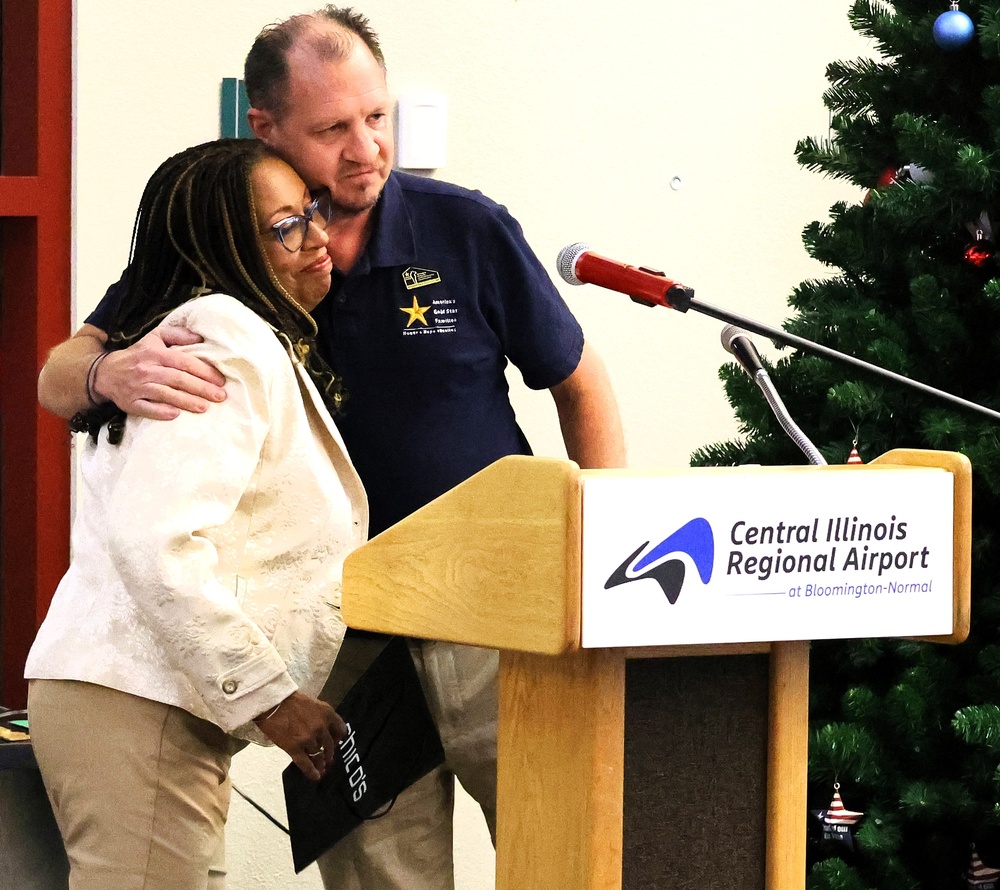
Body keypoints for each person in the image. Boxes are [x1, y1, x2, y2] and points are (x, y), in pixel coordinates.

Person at [37, 6, 626, 889]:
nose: (365, 150)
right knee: (383, 875)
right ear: (262, 126)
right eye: (332, 129)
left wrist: (598, 561)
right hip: (338, 629)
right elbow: (60, 373)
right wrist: (106, 375)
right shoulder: (228, 250)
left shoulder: (464, 226)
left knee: (566, 851)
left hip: (493, 607)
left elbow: (579, 385)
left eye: (376, 118)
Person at [25, 137, 368, 889]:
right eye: (286, 227)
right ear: (224, 252)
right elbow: (159, 543)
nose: (318, 237)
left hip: (145, 705)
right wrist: (272, 699)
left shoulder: (218, 332)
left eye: (310, 213)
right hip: (136, 705)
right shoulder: (220, 335)